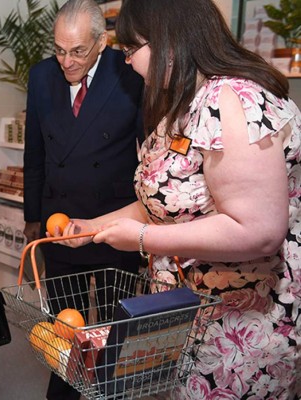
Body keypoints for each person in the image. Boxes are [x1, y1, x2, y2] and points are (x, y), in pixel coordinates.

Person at [59, 0, 301, 398]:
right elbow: (164, 201)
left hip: (238, 327)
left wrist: (141, 239)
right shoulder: (186, 102)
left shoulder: (232, 101)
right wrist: (95, 227)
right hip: (189, 314)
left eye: (131, 50)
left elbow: (258, 231)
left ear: (167, 43)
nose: (128, 63)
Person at [22, 0, 144, 398]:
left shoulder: (128, 71)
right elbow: (34, 151)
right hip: (61, 220)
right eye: (59, 49)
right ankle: (63, 391)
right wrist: (32, 216)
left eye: (77, 51)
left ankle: (110, 392)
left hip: (115, 220)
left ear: (102, 41)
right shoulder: (41, 76)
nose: (67, 61)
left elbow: (147, 147)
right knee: (64, 325)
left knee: (114, 329)